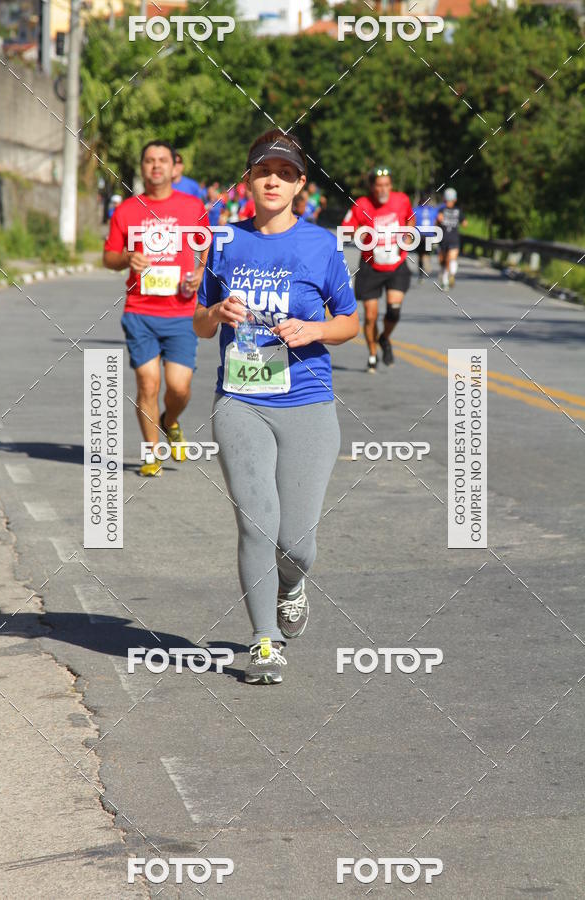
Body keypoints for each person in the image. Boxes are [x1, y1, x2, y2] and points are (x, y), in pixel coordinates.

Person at [193, 130, 359, 684]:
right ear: (249, 179)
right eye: (264, 170)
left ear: (299, 186)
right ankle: (264, 642)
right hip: (241, 402)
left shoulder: (322, 244)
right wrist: (218, 312)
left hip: (309, 404)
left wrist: (313, 328)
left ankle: (292, 581)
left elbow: (350, 322)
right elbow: (197, 321)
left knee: (296, 543)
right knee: (255, 524)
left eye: (284, 173)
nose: (272, 180)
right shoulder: (225, 243)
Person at [103, 140, 210, 476]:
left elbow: (208, 248)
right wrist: (126, 258)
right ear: (142, 167)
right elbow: (108, 257)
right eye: (149, 160)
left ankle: (170, 420)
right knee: (148, 384)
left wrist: (200, 272)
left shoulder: (193, 207)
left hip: (181, 311)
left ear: (174, 167)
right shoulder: (126, 211)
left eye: (162, 160)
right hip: (140, 311)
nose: (156, 166)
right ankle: (151, 453)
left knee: (178, 387)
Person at [342, 166, 415, 372]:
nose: (383, 190)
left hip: (396, 265)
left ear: (391, 185)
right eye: (378, 186)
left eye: (386, 185)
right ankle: (373, 354)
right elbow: (346, 229)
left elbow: (411, 218)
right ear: (372, 187)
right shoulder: (362, 204)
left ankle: (384, 338)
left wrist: (408, 234)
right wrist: (358, 235)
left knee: (394, 310)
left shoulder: (401, 200)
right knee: (371, 315)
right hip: (370, 267)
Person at [436, 187, 467, 289]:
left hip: (453, 239)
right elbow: (436, 224)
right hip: (443, 239)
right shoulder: (442, 210)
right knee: (443, 261)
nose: (449, 202)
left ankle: (449, 277)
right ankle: (447, 275)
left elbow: (465, 223)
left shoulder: (457, 211)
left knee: (451, 259)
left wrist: (463, 222)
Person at [413, 195, 438, 280]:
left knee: (420, 254)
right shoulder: (433, 211)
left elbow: (412, 221)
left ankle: (421, 273)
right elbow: (435, 221)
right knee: (427, 252)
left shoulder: (415, 210)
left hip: (419, 235)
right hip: (429, 235)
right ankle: (426, 262)